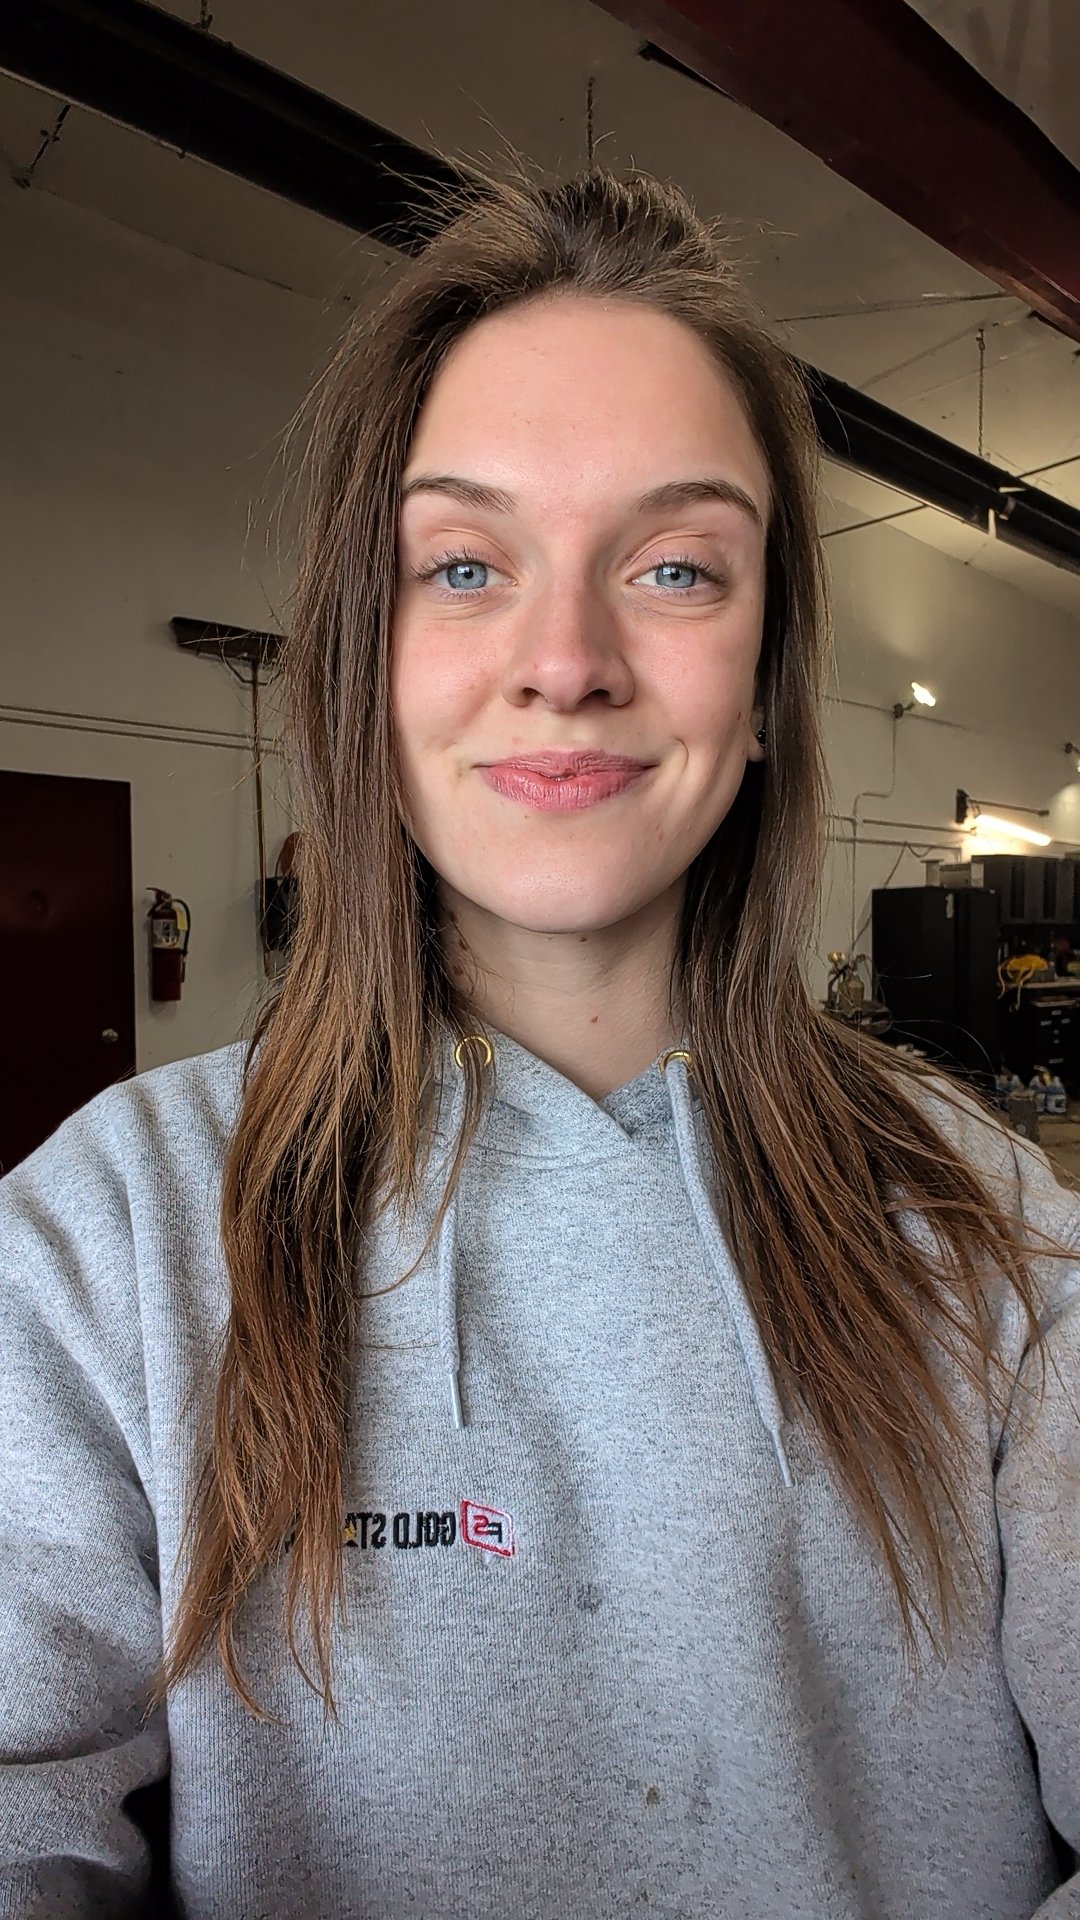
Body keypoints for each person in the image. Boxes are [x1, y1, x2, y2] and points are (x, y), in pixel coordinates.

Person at [1, 168, 1077, 1920]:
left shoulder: (993, 1235)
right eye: (465, 565)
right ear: (365, 659)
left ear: (767, 678)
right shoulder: (98, 1248)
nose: (565, 660)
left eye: (675, 567)